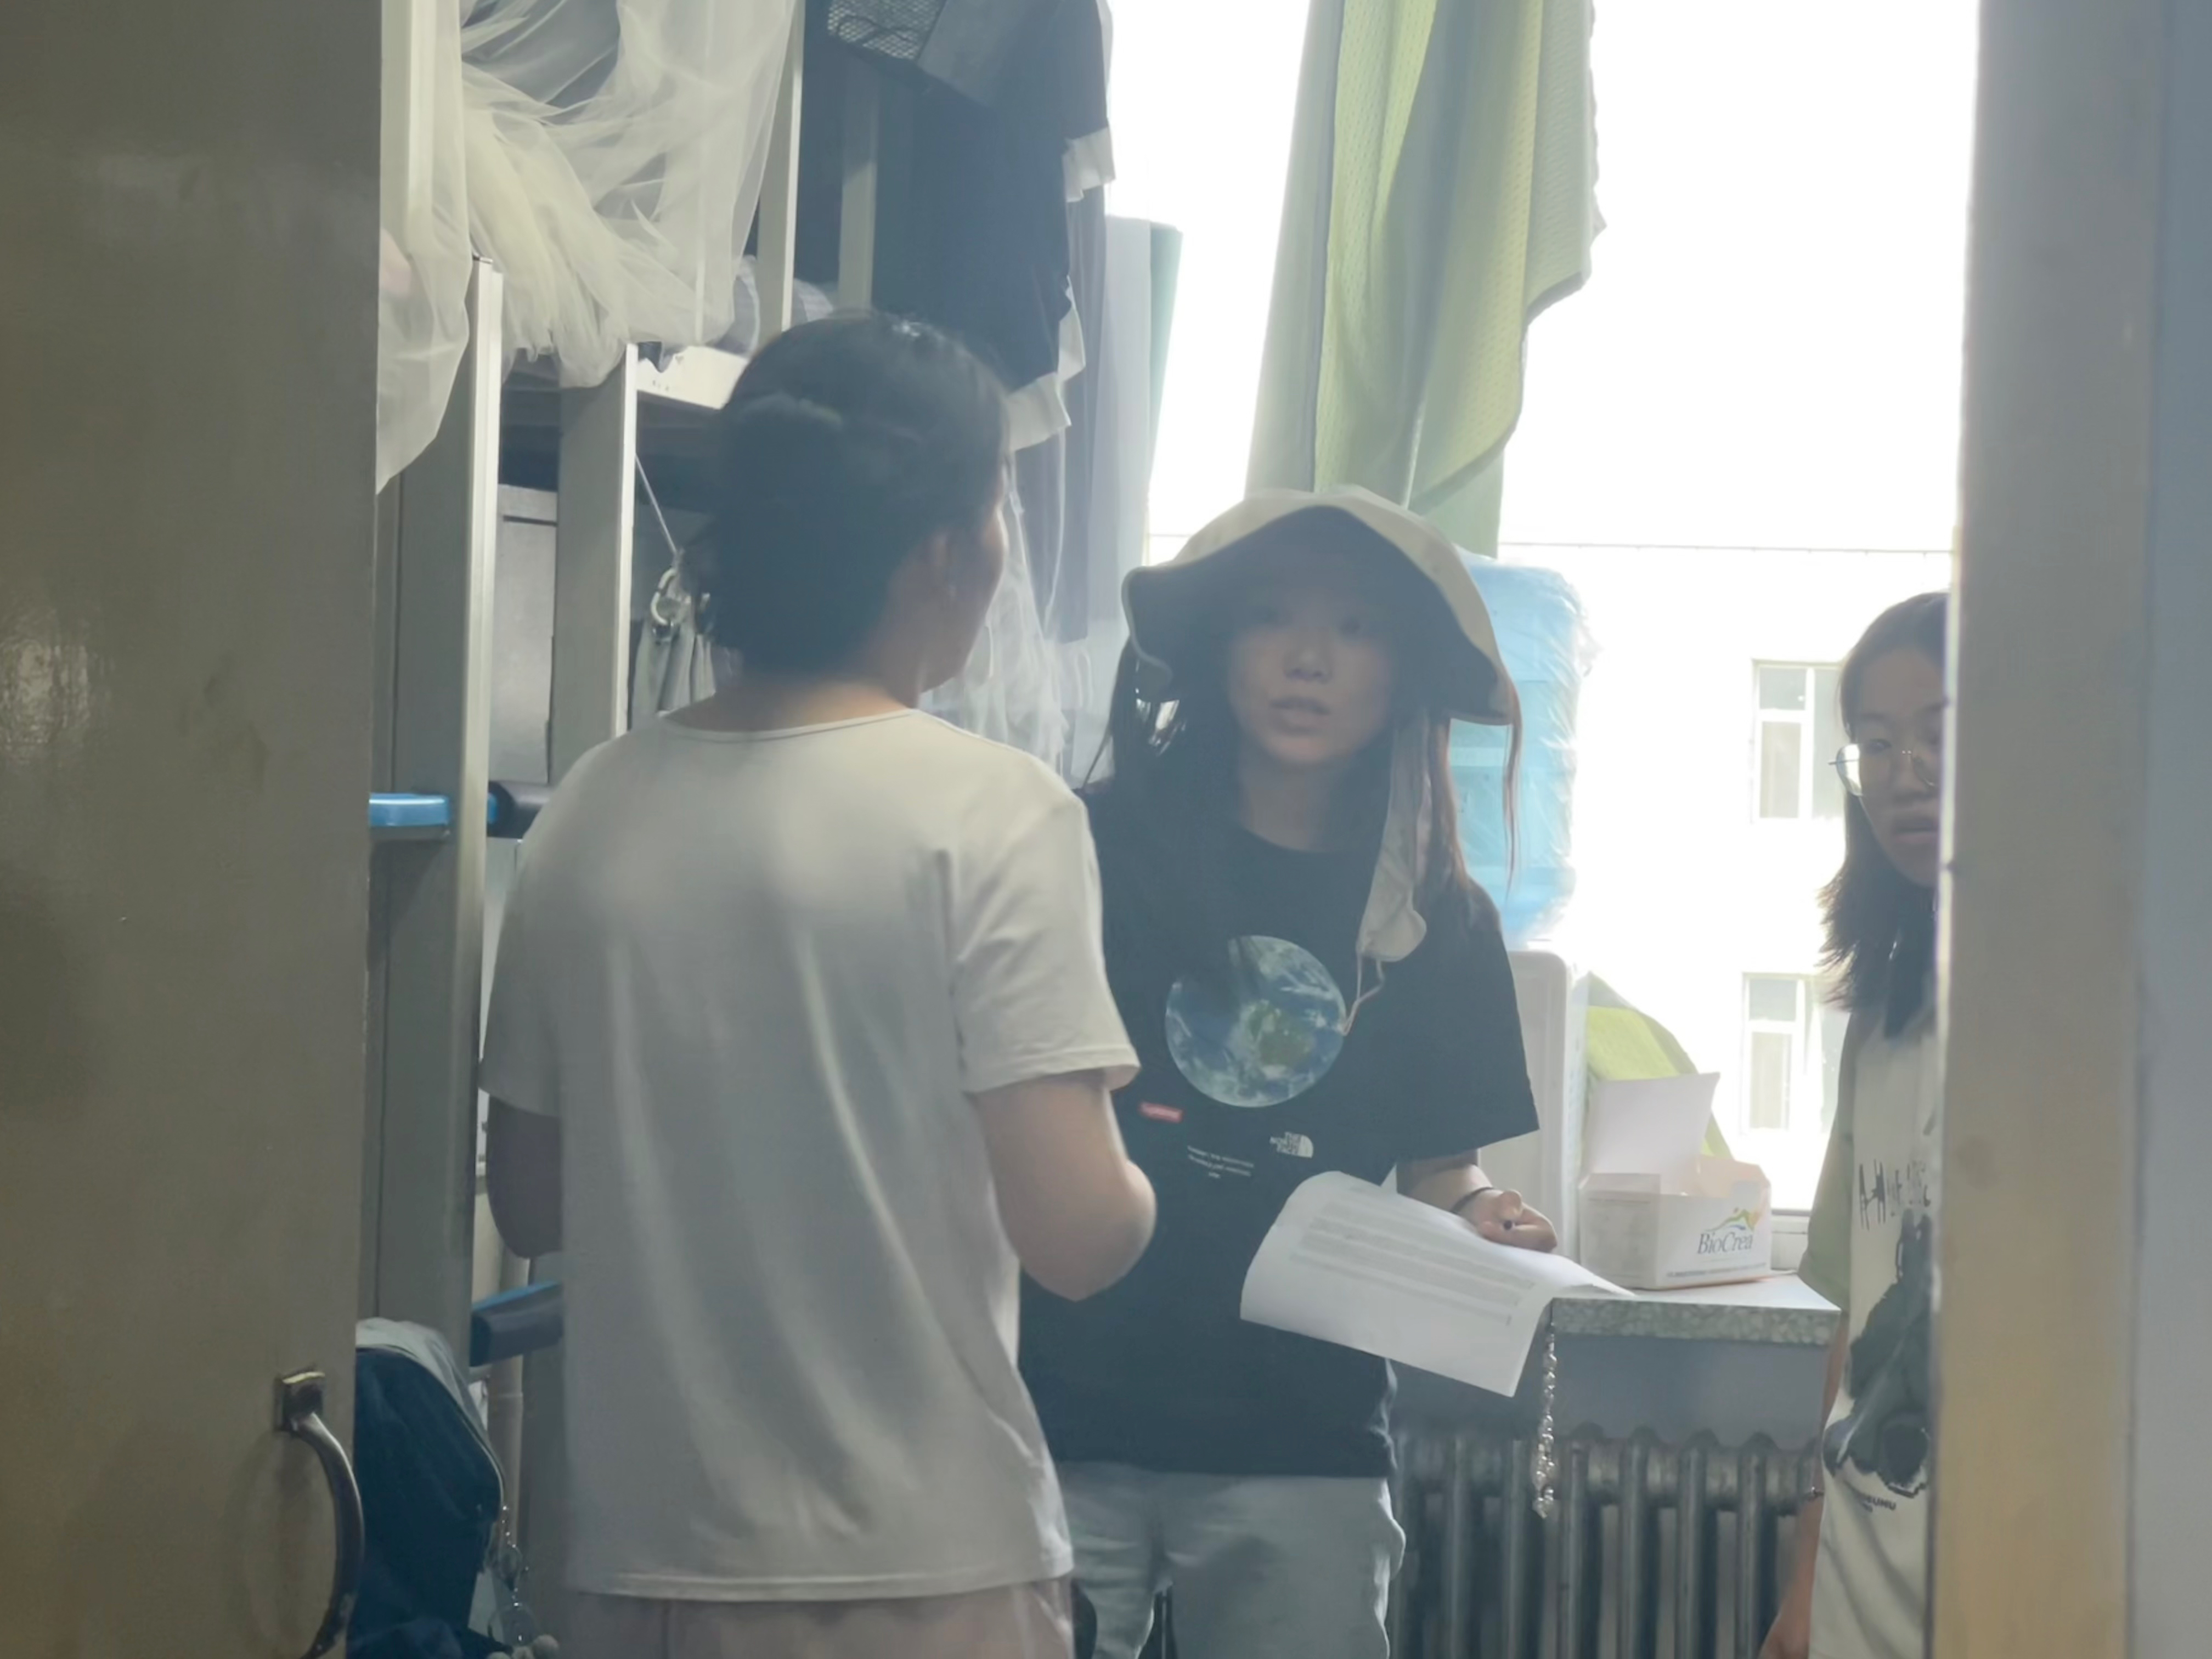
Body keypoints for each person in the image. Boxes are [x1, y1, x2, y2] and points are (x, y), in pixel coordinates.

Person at [482, 313, 1158, 1659]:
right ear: (945, 554)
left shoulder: (592, 806)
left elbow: (531, 1199)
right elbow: (1079, 1237)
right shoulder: (996, 809)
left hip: (640, 1562)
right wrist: (1141, 1170)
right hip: (917, 1570)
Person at [1019, 490, 1560, 1659]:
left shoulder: (1441, 918)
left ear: (1403, 669)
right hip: (1060, 1409)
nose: (1309, 659)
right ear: (1219, 643)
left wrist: (1483, 1213)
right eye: (1272, 616)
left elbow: (1443, 1167)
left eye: (1356, 629)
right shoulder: (1088, 849)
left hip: (1302, 1429)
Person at [1762, 591, 1948, 1659]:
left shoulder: (2086, 1023)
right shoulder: (1881, 1019)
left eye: (1941, 731)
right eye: (1876, 744)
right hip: (1862, 1575)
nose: (1905, 773)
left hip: (2017, 1559)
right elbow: (1850, 1324)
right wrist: (1804, 1576)